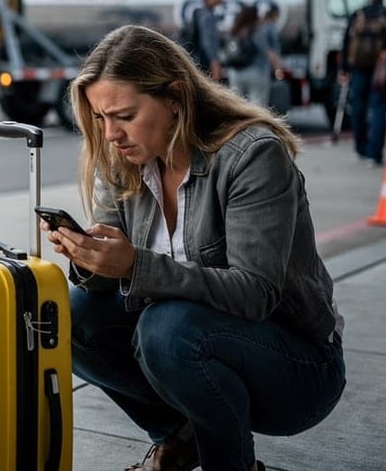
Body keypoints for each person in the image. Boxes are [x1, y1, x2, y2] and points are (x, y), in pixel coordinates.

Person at [44, 25, 346, 471]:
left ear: (175, 97)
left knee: (167, 327)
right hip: (188, 344)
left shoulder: (251, 156)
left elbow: (256, 293)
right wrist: (91, 260)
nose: (110, 134)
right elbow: (110, 288)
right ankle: (178, 438)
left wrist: (135, 264)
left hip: (296, 367)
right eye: (101, 118)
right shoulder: (124, 159)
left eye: (124, 115)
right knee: (69, 315)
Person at [339, 0, 386, 167]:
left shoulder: (357, 14)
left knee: (358, 109)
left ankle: (360, 148)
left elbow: (345, 43)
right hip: (383, 70)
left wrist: (343, 68)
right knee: (379, 110)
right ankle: (374, 154)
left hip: (359, 69)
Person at [224, 5, 285, 107]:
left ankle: (240, 123)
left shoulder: (234, 30)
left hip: (235, 72)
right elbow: (267, 51)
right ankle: (254, 123)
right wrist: (278, 66)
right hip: (256, 72)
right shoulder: (256, 31)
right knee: (257, 105)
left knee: (237, 106)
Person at [183, 0, 224, 80]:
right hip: (205, 60)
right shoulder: (208, 17)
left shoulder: (199, 14)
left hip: (197, 58)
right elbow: (208, 41)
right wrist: (214, 61)